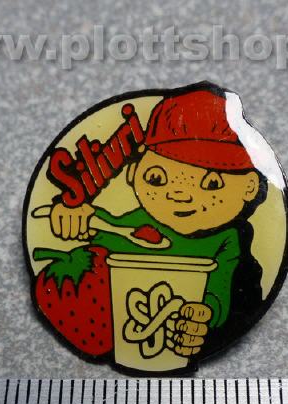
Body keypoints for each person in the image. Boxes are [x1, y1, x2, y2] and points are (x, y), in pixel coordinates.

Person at [49, 87, 267, 357]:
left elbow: (219, 293)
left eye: (211, 183)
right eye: (157, 178)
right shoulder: (139, 223)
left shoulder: (227, 240)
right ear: (133, 173)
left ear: (250, 186)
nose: (180, 195)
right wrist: (72, 214)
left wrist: (203, 314)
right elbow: (104, 229)